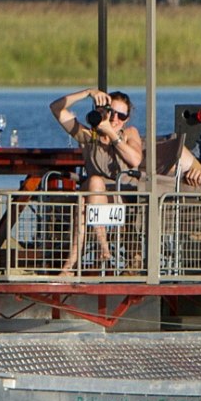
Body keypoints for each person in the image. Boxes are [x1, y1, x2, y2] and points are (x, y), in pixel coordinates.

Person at [49, 87, 143, 276]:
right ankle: (103, 249)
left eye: (121, 116)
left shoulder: (129, 133)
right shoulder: (89, 135)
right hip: (94, 195)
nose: (115, 119)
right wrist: (87, 93)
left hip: (121, 196)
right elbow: (56, 108)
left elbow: (135, 160)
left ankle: (72, 264)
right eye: (112, 113)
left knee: (87, 198)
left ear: (127, 119)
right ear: (102, 112)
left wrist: (113, 134)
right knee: (93, 184)